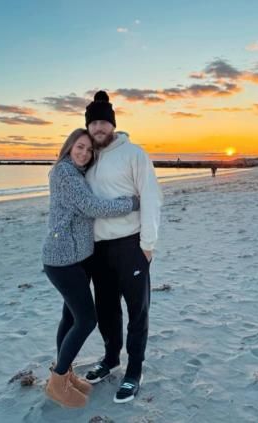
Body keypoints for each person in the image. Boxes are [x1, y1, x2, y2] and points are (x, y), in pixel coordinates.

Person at [42, 128, 139, 408]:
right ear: (69, 147)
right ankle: (58, 381)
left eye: (89, 149)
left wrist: (119, 138)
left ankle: (65, 372)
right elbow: (92, 206)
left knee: (70, 318)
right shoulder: (64, 173)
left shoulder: (78, 172)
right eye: (79, 147)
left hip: (76, 258)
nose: (84, 153)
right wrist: (131, 203)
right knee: (86, 320)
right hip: (62, 260)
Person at [84, 91, 163, 403]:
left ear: (112, 124)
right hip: (99, 248)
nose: (99, 128)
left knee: (137, 311)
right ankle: (111, 358)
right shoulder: (88, 157)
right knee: (106, 310)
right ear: (88, 127)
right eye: (94, 123)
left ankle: (134, 371)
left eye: (104, 122)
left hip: (131, 245)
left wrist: (148, 245)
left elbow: (151, 198)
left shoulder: (134, 153)